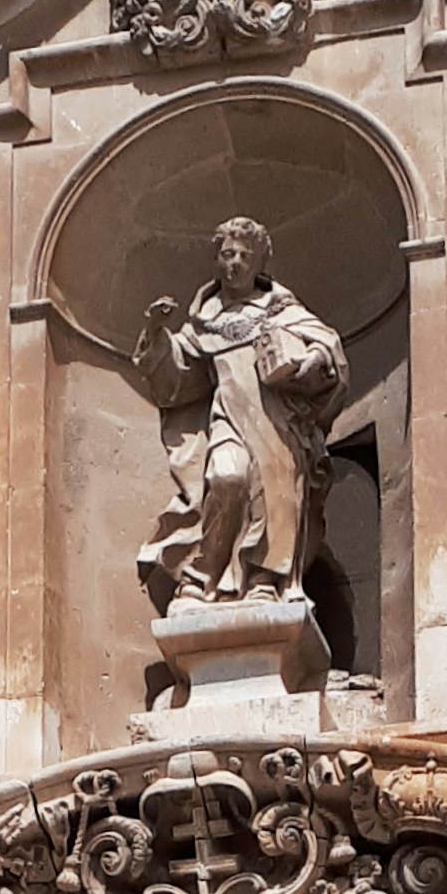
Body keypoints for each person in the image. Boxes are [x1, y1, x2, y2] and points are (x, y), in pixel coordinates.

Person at [131, 217, 348, 612]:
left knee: (274, 492)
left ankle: (266, 578)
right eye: (227, 254)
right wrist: (155, 330)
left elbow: (327, 347)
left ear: (260, 263)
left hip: (277, 426)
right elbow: (177, 379)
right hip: (227, 419)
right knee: (225, 478)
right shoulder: (205, 324)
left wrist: (310, 361)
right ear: (217, 260)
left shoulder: (283, 311)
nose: (234, 263)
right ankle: (205, 576)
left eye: (244, 256)